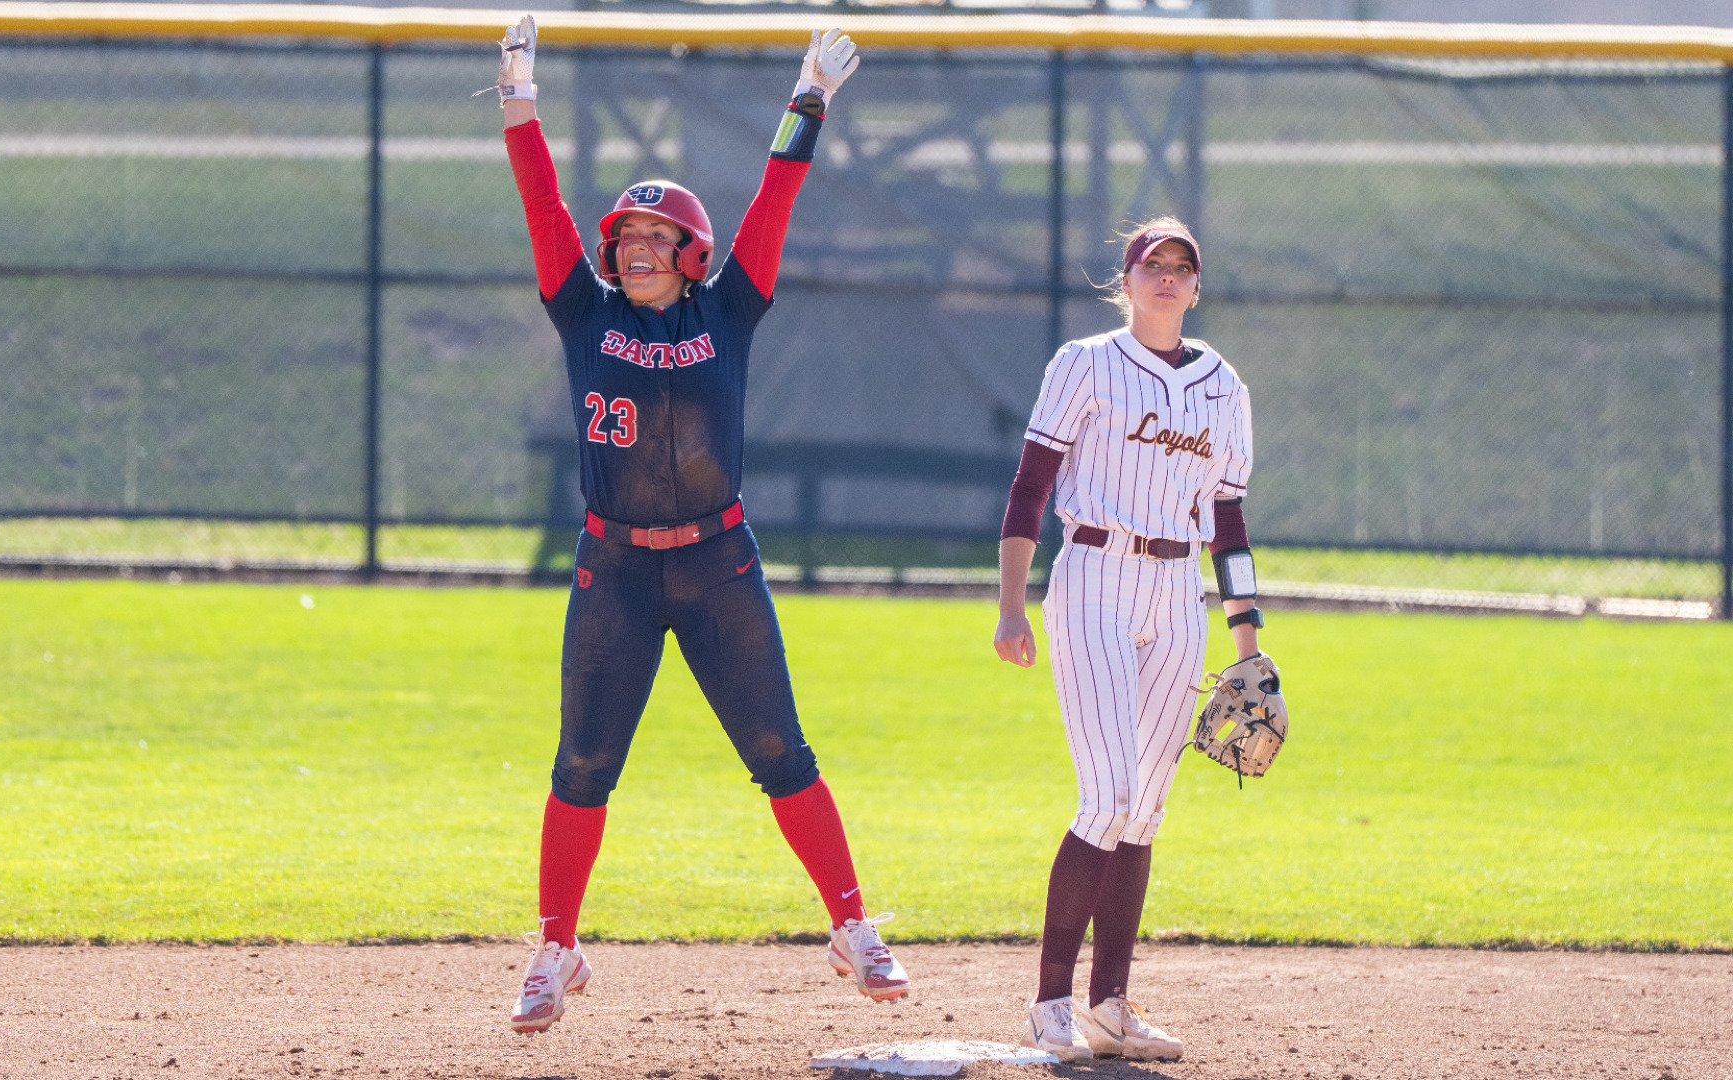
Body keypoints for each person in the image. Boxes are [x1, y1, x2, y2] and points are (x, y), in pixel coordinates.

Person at [488, 15, 909, 1034]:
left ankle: (851, 927)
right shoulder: (582, 312)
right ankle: (554, 950)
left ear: (689, 253)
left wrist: (807, 98)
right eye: (624, 239)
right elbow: (542, 205)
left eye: (652, 238)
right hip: (613, 569)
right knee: (581, 764)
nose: (634, 249)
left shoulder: (730, 309)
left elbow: (775, 199)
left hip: (719, 562)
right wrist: (518, 105)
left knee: (781, 752)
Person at [993, 218, 1265, 1063]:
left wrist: (1248, 643)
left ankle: (1109, 1005)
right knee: (1106, 797)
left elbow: (1229, 521)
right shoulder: (1084, 363)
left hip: (1178, 591)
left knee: (1143, 809)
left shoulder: (1223, 385)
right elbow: (1030, 485)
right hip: (1094, 577)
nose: (1168, 278)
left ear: (1194, 285)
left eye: (1182, 267)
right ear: (1128, 276)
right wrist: (1010, 605)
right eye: (1154, 264)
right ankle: (1049, 1004)